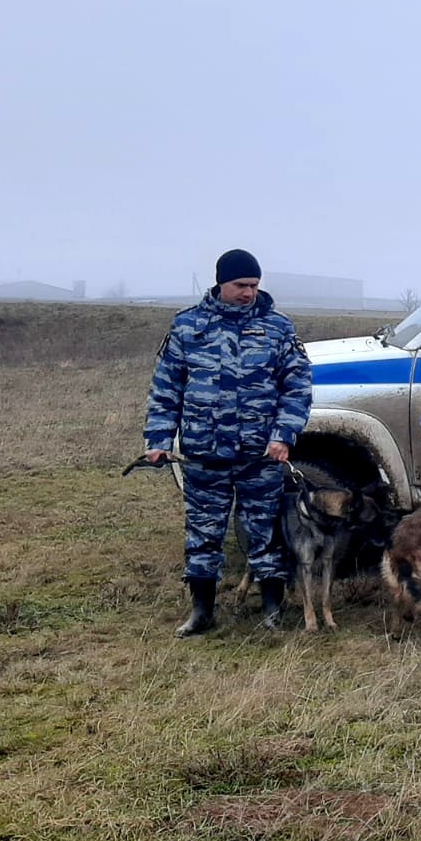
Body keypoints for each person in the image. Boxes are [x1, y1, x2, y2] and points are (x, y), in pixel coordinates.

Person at [143, 249, 313, 636]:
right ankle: (202, 612)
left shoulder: (278, 328)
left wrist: (284, 435)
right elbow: (166, 389)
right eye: (240, 285)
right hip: (204, 455)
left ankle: (272, 611)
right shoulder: (188, 327)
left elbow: (298, 387)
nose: (248, 293)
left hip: (261, 457)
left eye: (254, 285)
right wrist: (158, 438)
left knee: (264, 534)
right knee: (203, 535)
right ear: (221, 283)